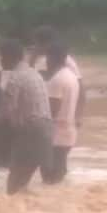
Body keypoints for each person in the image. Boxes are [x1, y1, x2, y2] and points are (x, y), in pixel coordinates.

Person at [0, 40, 54, 194]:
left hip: (31, 133)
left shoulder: (15, 79)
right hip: (46, 132)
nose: (0, 61)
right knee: (23, 185)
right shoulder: (34, 74)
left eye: (1, 57)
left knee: (13, 188)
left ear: (9, 57)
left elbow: (3, 114)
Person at [28, 25, 86, 127]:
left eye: (37, 43)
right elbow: (32, 79)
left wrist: (79, 116)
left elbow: (81, 88)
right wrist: (32, 59)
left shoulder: (65, 60)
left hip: (61, 112)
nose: (35, 46)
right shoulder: (44, 60)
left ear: (46, 43)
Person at [42, 41, 80, 184]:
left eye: (47, 57)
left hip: (55, 137)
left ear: (51, 58)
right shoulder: (71, 76)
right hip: (68, 133)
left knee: (49, 179)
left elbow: (51, 112)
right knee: (58, 177)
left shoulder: (56, 80)